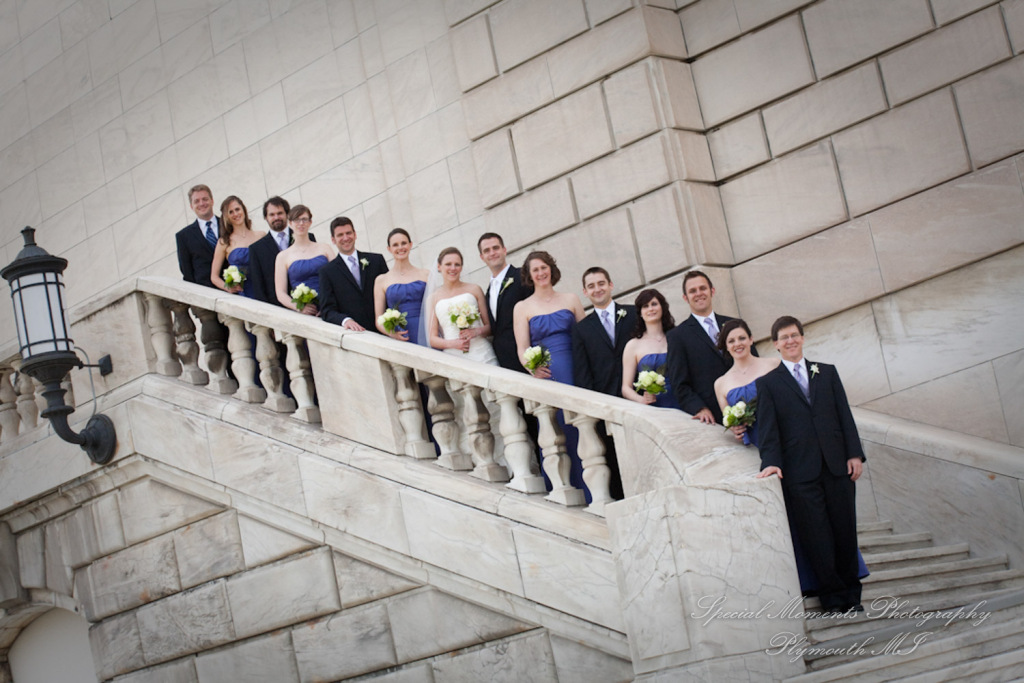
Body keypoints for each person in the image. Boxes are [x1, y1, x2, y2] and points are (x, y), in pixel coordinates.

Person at [756, 316, 867, 614]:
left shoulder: (827, 373)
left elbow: (844, 416)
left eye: (794, 335)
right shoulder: (768, 384)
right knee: (817, 536)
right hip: (800, 473)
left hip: (837, 466)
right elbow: (768, 431)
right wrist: (771, 463)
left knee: (845, 530)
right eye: (784, 337)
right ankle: (832, 598)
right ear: (776, 345)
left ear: (802, 338)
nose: (790, 341)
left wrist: (854, 454)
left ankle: (852, 597)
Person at [666, 270, 752, 425]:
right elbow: (679, 384)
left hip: (752, 404)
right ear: (685, 298)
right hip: (715, 417)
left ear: (712, 291)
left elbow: (754, 361)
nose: (699, 293)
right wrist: (699, 408)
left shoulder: (735, 324)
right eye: (692, 291)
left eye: (702, 288)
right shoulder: (677, 336)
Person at [513, 251, 585, 382]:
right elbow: (522, 348)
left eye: (544, 267)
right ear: (529, 275)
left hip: (578, 366)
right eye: (535, 270)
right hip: (547, 374)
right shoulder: (521, 307)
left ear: (551, 269)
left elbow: (587, 337)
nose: (541, 273)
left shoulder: (571, 299)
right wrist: (533, 368)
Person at [571, 267, 637, 396]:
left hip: (640, 392)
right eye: (591, 286)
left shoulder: (634, 313)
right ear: (585, 292)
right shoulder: (580, 329)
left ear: (610, 285)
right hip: (607, 398)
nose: (597, 289)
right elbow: (582, 373)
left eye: (601, 284)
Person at [713, 319, 780, 446]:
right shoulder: (720, 384)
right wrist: (735, 428)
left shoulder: (773, 364)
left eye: (742, 338)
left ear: (751, 339)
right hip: (754, 444)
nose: (737, 344)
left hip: (783, 434)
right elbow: (730, 421)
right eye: (731, 341)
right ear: (726, 346)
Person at [428, 247, 497, 364]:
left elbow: (490, 326)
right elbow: (432, 338)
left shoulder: (474, 289)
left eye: (457, 264)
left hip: (481, 352)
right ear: (439, 267)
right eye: (448, 264)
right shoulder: (433, 298)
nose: (453, 268)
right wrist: (453, 344)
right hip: (454, 356)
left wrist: (476, 332)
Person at [318, 216, 389, 330]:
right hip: (356, 335)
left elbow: (390, 294)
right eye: (340, 235)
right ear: (333, 240)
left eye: (348, 233)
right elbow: (327, 311)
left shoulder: (377, 260)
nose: (345, 238)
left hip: (386, 330)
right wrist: (345, 320)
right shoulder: (327, 272)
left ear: (355, 234)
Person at [478, 232, 532, 371]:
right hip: (505, 361)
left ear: (504, 250)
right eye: (487, 250)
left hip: (530, 356)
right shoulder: (488, 293)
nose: (492, 253)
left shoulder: (523, 276)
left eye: (495, 248)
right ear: (482, 257)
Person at [249, 196, 316, 306]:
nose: (276, 217)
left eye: (280, 213)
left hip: (311, 304)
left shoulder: (309, 237)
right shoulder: (256, 249)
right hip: (278, 309)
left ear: (287, 215)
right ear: (266, 217)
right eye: (271, 214)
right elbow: (258, 288)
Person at [621, 289, 680, 409]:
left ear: (662, 308)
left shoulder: (677, 338)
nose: (650, 309)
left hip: (681, 401)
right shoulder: (633, 345)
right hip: (654, 407)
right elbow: (626, 388)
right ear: (640, 313)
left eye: (654, 304)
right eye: (645, 306)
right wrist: (641, 399)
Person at [274, 205, 335, 315]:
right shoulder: (283, 257)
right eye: (297, 220)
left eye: (304, 219)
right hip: (306, 312)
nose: (301, 223)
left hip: (331, 306)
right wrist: (299, 307)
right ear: (290, 223)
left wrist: (331, 303)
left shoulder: (325, 248)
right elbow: (280, 293)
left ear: (310, 222)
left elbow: (338, 277)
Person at [373, 228, 430, 344]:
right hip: (402, 335)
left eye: (404, 243)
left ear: (410, 244)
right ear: (389, 249)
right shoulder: (381, 280)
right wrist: (392, 334)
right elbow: (379, 320)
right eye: (395, 245)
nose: (400, 248)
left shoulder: (426, 274)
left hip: (427, 330)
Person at [209, 196, 266, 298]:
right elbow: (214, 276)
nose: (235, 214)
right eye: (231, 212)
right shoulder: (224, 242)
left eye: (237, 209)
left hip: (264, 288)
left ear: (243, 209)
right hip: (244, 294)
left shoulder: (261, 235)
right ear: (227, 217)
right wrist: (228, 287)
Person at [176, 184, 220, 289]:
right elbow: (188, 274)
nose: (201, 204)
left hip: (238, 293)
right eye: (196, 201)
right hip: (207, 296)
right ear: (191, 206)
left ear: (212, 201)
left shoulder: (228, 224)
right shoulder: (183, 237)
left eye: (205, 199)